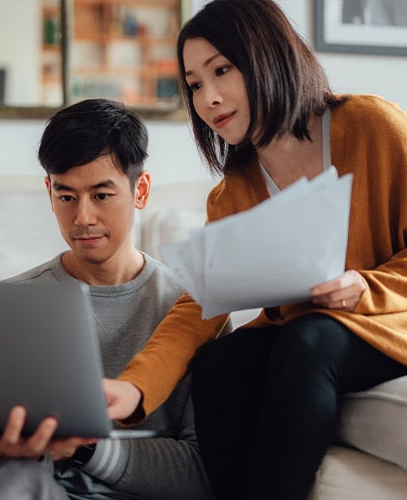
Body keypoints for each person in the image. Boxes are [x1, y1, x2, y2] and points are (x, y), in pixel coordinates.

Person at [104, 0, 407, 498]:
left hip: (391, 320)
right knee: (224, 360)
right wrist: (134, 388)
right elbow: (197, 308)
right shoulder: (233, 192)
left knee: (310, 339)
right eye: (196, 84)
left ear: (268, 56)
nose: (209, 98)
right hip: (313, 338)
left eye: (222, 70)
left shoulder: (373, 126)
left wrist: (364, 287)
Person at [0, 98, 215, 500]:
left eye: (101, 195)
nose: (82, 218)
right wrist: (9, 455)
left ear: (140, 190)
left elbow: (205, 471)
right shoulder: (10, 304)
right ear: (49, 191)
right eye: (66, 197)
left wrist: (85, 448)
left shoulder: (195, 308)